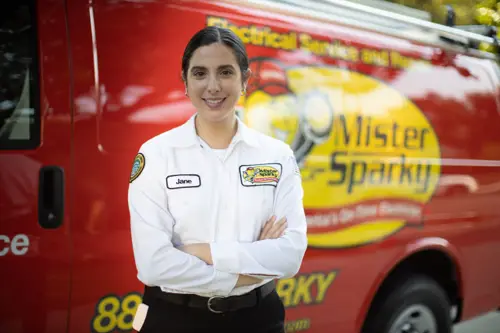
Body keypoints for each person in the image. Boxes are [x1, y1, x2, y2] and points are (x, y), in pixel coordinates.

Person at [127, 26, 308, 333]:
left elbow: (290, 255)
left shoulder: (276, 156)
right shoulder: (157, 154)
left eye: (225, 72)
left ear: (245, 80)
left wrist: (203, 252)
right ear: (185, 82)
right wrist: (247, 272)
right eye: (199, 73)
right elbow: (153, 264)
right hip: (174, 320)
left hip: (257, 319)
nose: (213, 86)